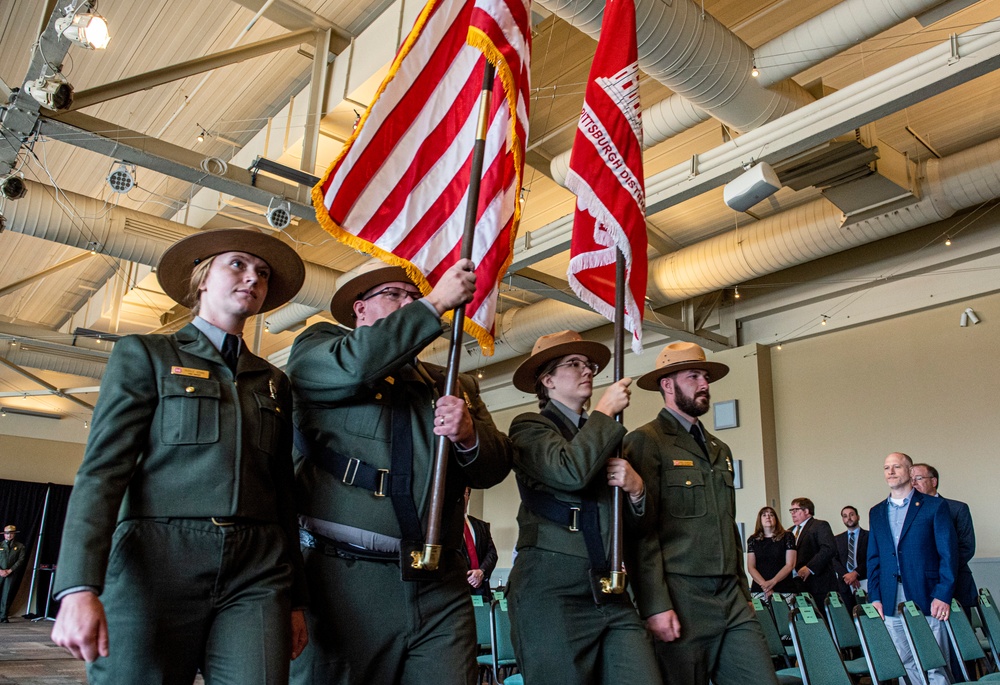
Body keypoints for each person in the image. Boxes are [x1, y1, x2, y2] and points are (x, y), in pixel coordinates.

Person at [50, 228, 309, 683]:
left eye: (262, 273)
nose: (252, 277)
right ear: (203, 278)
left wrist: (295, 600)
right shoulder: (147, 355)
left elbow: (282, 493)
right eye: (238, 265)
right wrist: (78, 586)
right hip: (157, 559)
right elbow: (102, 473)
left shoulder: (272, 381)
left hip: (257, 568)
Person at [287, 258, 513, 685]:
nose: (408, 302)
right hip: (346, 580)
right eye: (394, 295)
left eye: (414, 296)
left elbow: (494, 468)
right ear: (360, 309)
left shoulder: (451, 385)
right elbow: (356, 365)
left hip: (439, 584)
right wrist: (433, 305)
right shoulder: (322, 348)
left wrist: (468, 435)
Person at [506, 330, 658, 684]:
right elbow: (569, 471)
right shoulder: (529, 427)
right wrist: (605, 411)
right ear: (548, 380)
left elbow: (637, 529)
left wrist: (637, 491)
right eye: (573, 364)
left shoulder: (606, 434)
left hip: (609, 588)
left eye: (588, 364)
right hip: (552, 592)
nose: (587, 370)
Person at [627, 342, 778, 685]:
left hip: (731, 595)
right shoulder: (646, 441)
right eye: (693, 376)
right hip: (681, 595)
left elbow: (726, 525)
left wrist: (742, 588)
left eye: (705, 376)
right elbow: (640, 533)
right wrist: (654, 602)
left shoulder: (719, 449)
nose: (704, 384)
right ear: (667, 384)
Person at [868, 452, 958, 685]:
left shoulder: (934, 506)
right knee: (905, 662)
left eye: (896, 466)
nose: (890, 471)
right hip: (889, 596)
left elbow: (948, 555)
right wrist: (875, 597)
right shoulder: (876, 512)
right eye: (886, 467)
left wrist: (943, 594)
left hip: (928, 595)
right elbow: (874, 559)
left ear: (910, 472)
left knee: (935, 663)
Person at [911, 463, 977, 611]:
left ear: (933, 482)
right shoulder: (906, 513)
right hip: (920, 586)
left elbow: (967, 547)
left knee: (960, 633)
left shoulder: (957, 508)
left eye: (918, 478)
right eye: (910, 479)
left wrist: (938, 571)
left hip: (956, 585)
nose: (913, 483)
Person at [788, 497, 837, 607]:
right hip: (796, 585)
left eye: (796, 510)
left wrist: (810, 568)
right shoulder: (789, 531)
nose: (793, 514)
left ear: (806, 511)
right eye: (791, 511)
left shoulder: (819, 525)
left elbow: (829, 548)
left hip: (818, 584)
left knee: (822, 620)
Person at [746, 507, 796, 604]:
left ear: (776, 518)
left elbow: (790, 564)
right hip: (760, 589)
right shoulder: (753, 540)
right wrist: (765, 586)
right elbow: (751, 567)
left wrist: (773, 582)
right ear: (760, 519)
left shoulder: (787, 537)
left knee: (785, 617)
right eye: (764, 515)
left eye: (771, 515)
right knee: (763, 618)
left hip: (784, 588)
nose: (768, 517)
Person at [462, 487, 498, 598]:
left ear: (468, 497)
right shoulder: (444, 528)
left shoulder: (481, 525)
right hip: (458, 589)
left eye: (465, 494)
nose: (462, 497)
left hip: (481, 589)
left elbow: (492, 553)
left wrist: (482, 571)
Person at [831, 506, 868, 613]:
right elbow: (834, 560)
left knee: (866, 615)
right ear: (843, 519)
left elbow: (871, 558)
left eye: (851, 514)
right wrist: (848, 576)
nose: (849, 518)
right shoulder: (837, 539)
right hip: (845, 584)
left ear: (858, 517)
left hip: (865, 581)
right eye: (845, 516)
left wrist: (855, 573)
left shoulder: (869, 536)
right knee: (849, 616)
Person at [0, 525, 27, 623]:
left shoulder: (20, 546)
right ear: (4, 534)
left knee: (6, 595)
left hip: (11, 573)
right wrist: (1, 570)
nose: (9, 535)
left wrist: (10, 570)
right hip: (0, 572)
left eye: (11, 533)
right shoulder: (0, 545)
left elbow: (21, 560)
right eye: (7, 533)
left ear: (14, 534)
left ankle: (3, 616)